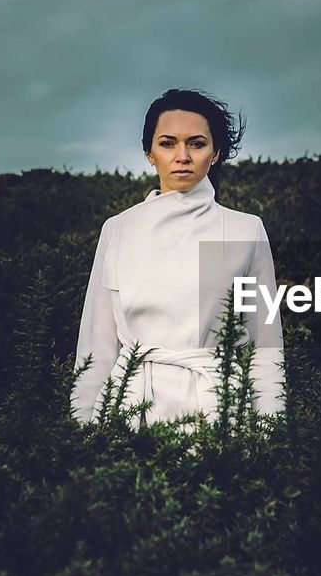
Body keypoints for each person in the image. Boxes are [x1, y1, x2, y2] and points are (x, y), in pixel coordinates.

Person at [70, 87, 285, 429]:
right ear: (150, 154)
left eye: (197, 143)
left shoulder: (247, 230)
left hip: (220, 410)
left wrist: (268, 432)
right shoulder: (119, 229)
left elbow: (266, 345)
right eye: (168, 143)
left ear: (215, 154)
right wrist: (82, 430)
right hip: (131, 408)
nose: (182, 156)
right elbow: (97, 345)